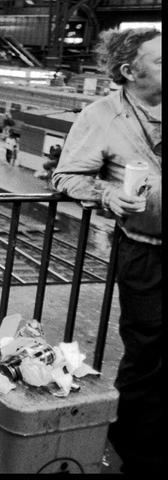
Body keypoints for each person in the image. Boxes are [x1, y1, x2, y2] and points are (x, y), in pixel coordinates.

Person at [52, 28, 161, 475]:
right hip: (147, 252)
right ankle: (137, 451)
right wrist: (108, 194)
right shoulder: (100, 116)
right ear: (129, 71)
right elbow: (66, 176)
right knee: (148, 353)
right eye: (161, 61)